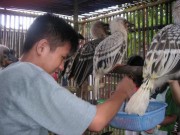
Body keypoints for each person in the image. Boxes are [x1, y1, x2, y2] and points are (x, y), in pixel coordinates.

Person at [0, 14, 136, 135]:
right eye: (62, 57)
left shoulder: (10, 73)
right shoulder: (31, 78)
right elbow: (97, 121)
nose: (61, 66)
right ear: (42, 48)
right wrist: (122, 91)